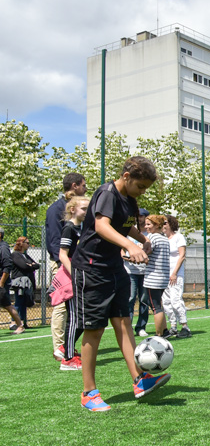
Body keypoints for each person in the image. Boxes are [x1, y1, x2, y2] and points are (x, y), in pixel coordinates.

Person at [71, 156, 170, 411]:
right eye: (141, 186)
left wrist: (143, 238)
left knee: (124, 323)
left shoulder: (130, 200)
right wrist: (129, 246)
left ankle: (140, 380)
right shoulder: (107, 193)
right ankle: (88, 392)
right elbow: (102, 226)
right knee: (94, 329)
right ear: (126, 176)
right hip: (92, 268)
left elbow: (125, 227)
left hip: (115, 268)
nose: (142, 192)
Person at [45, 173, 87, 359]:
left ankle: (68, 346)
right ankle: (60, 348)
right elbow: (55, 241)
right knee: (62, 306)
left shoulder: (80, 213)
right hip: (62, 264)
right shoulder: (56, 209)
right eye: (83, 185)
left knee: (75, 307)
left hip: (76, 264)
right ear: (74, 185)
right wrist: (62, 265)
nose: (85, 188)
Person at [57, 192, 89, 370]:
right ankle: (68, 358)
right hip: (71, 278)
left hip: (80, 276)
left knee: (81, 318)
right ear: (72, 209)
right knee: (74, 318)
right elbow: (63, 255)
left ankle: (66, 348)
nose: (86, 211)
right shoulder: (69, 228)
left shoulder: (82, 228)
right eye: (83, 208)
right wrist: (74, 275)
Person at [141, 215, 171, 337]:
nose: (146, 227)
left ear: (157, 225)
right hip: (163, 278)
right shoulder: (164, 239)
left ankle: (159, 335)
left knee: (156, 307)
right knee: (156, 303)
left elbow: (146, 253)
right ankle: (164, 331)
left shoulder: (152, 238)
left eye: (149, 224)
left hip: (153, 279)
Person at [162, 215, 190, 339]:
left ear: (171, 224)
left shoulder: (179, 237)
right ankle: (173, 326)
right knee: (166, 302)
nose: (163, 225)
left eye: (165, 223)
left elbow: (182, 256)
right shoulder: (163, 239)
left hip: (176, 275)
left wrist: (174, 273)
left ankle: (185, 326)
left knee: (175, 301)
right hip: (164, 275)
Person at [126, 208, 150, 337]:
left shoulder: (150, 234)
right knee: (130, 298)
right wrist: (125, 256)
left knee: (144, 300)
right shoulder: (130, 231)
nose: (139, 218)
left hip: (146, 272)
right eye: (137, 216)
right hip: (130, 271)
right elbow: (121, 248)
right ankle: (128, 328)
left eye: (141, 216)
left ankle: (141, 327)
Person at [10, 236, 40, 332]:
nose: (29, 244)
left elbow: (37, 265)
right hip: (19, 282)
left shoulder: (25, 255)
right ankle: (13, 323)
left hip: (27, 282)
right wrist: (30, 265)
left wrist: (30, 265)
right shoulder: (15, 255)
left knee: (23, 302)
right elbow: (23, 266)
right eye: (27, 243)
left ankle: (22, 322)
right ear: (21, 243)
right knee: (18, 301)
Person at [0, 228, 25, 333]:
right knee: (7, 305)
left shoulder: (3, 247)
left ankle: (20, 325)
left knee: (7, 305)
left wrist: (1, 283)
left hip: (1, 281)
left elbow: (7, 266)